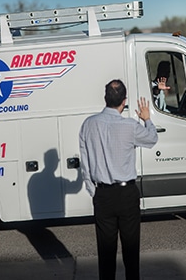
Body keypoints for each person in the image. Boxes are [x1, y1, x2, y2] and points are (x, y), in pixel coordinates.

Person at [79, 79, 158, 280]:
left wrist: (93, 190)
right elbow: (152, 138)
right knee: (131, 253)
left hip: (103, 194)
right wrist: (147, 119)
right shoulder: (130, 126)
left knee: (106, 255)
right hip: (126, 193)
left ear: (105, 99)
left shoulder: (88, 125)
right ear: (124, 101)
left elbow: (85, 164)